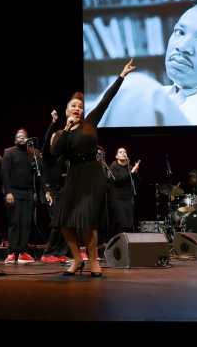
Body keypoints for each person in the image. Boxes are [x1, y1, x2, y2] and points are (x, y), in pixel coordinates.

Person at [51, 58, 136, 277]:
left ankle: (94, 261)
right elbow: (55, 153)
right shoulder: (62, 134)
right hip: (74, 175)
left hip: (92, 175)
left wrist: (121, 76)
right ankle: (77, 258)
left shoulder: (90, 122)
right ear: (67, 110)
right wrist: (66, 129)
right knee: (63, 221)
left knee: (87, 220)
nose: (77, 109)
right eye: (73, 106)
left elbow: (106, 99)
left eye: (80, 106)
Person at [1, 129, 41, 264]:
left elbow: (38, 173)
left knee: (26, 223)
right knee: (14, 222)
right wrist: (8, 192)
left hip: (28, 192)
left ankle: (23, 251)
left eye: (24, 137)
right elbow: (4, 174)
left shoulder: (33, 153)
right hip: (14, 192)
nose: (21, 138)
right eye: (18, 137)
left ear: (28, 139)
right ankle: (12, 252)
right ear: (15, 140)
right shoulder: (9, 152)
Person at [39, 110, 69, 264]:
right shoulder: (47, 154)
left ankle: (59, 252)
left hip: (62, 191)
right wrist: (54, 123)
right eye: (54, 138)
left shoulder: (62, 156)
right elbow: (46, 140)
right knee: (57, 222)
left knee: (66, 223)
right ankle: (47, 253)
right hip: (50, 191)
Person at [108, 148, 140, 238]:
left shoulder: (129, 167)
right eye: (120, 152)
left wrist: (136, 173)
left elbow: (136, 183)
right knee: (120, 223)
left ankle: (128, 243)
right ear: (116, 156)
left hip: (128, 198)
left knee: (129, 223)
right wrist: (132, 171)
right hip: (118, 198)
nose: (123, 153)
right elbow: (118, 180)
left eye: (125, 152)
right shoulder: (114, 166)